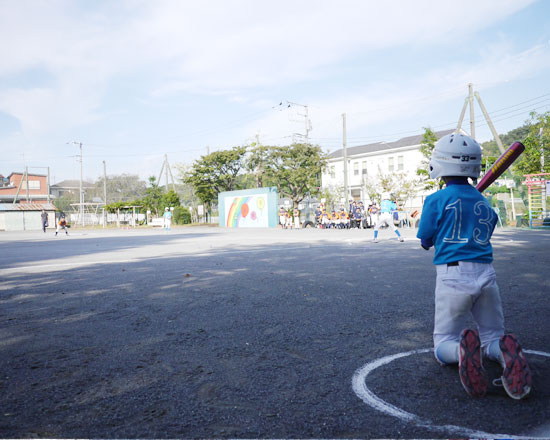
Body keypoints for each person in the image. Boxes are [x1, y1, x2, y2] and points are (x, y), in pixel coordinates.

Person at [417, 132, 532, 399]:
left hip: (452, 274)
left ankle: (459, 353)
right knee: (493, 335)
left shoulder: (436, 199)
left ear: (440, 164)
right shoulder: (483, 201)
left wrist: (432, 238)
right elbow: (486, 227)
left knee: (443, 342)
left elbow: (425, 239)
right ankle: (502, 351)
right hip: (486, 273)